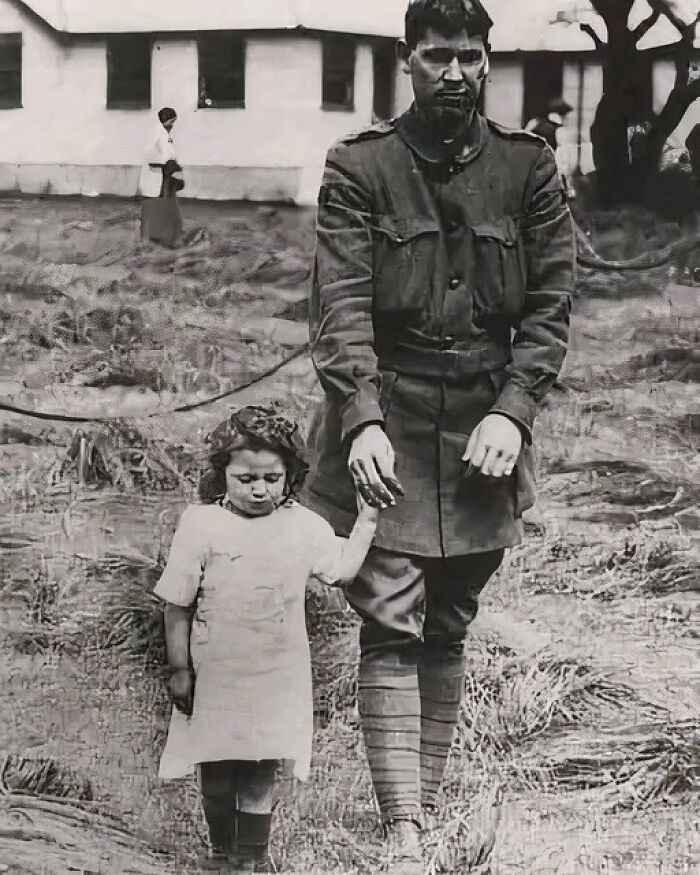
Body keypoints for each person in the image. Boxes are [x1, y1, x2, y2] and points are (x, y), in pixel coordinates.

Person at [304, 0, 575, 871]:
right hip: (384, 422)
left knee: (450, 620)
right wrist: (361, 420)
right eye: (435, 57)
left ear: (488, 60)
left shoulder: (530, 169)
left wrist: (514, 409)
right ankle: (404, 829)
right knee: (390, 618)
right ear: (405, 60)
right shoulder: (360, 166)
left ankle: (426, 794)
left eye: (468, 56)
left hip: (483, 435)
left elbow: (550, 307)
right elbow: (340, 304)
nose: (453, 72)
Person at [154, 403, 378, 873]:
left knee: (259, 766)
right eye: (246, 478)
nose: (259, 490)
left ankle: (251, 859)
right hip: (215, 670)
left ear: (291, 476)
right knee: (214, 767)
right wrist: (180, 670)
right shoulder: (201, 524)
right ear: (223, 475)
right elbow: (177, 603)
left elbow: (339, 572)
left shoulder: (303, 526)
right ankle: (221, 855)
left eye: (272, 479)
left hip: (276, 672)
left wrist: (367, 523)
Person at [139, 106, 184, 247]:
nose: (173, 126)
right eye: (172, 122)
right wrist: (170, 166)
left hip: (163, 176)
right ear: (167, 121)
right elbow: (156, 156)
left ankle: (163, 237)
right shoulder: (158, 135)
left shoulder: (162, 133)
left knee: (164, 207)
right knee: (156, 207)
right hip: (159, 175)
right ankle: (152, 240)